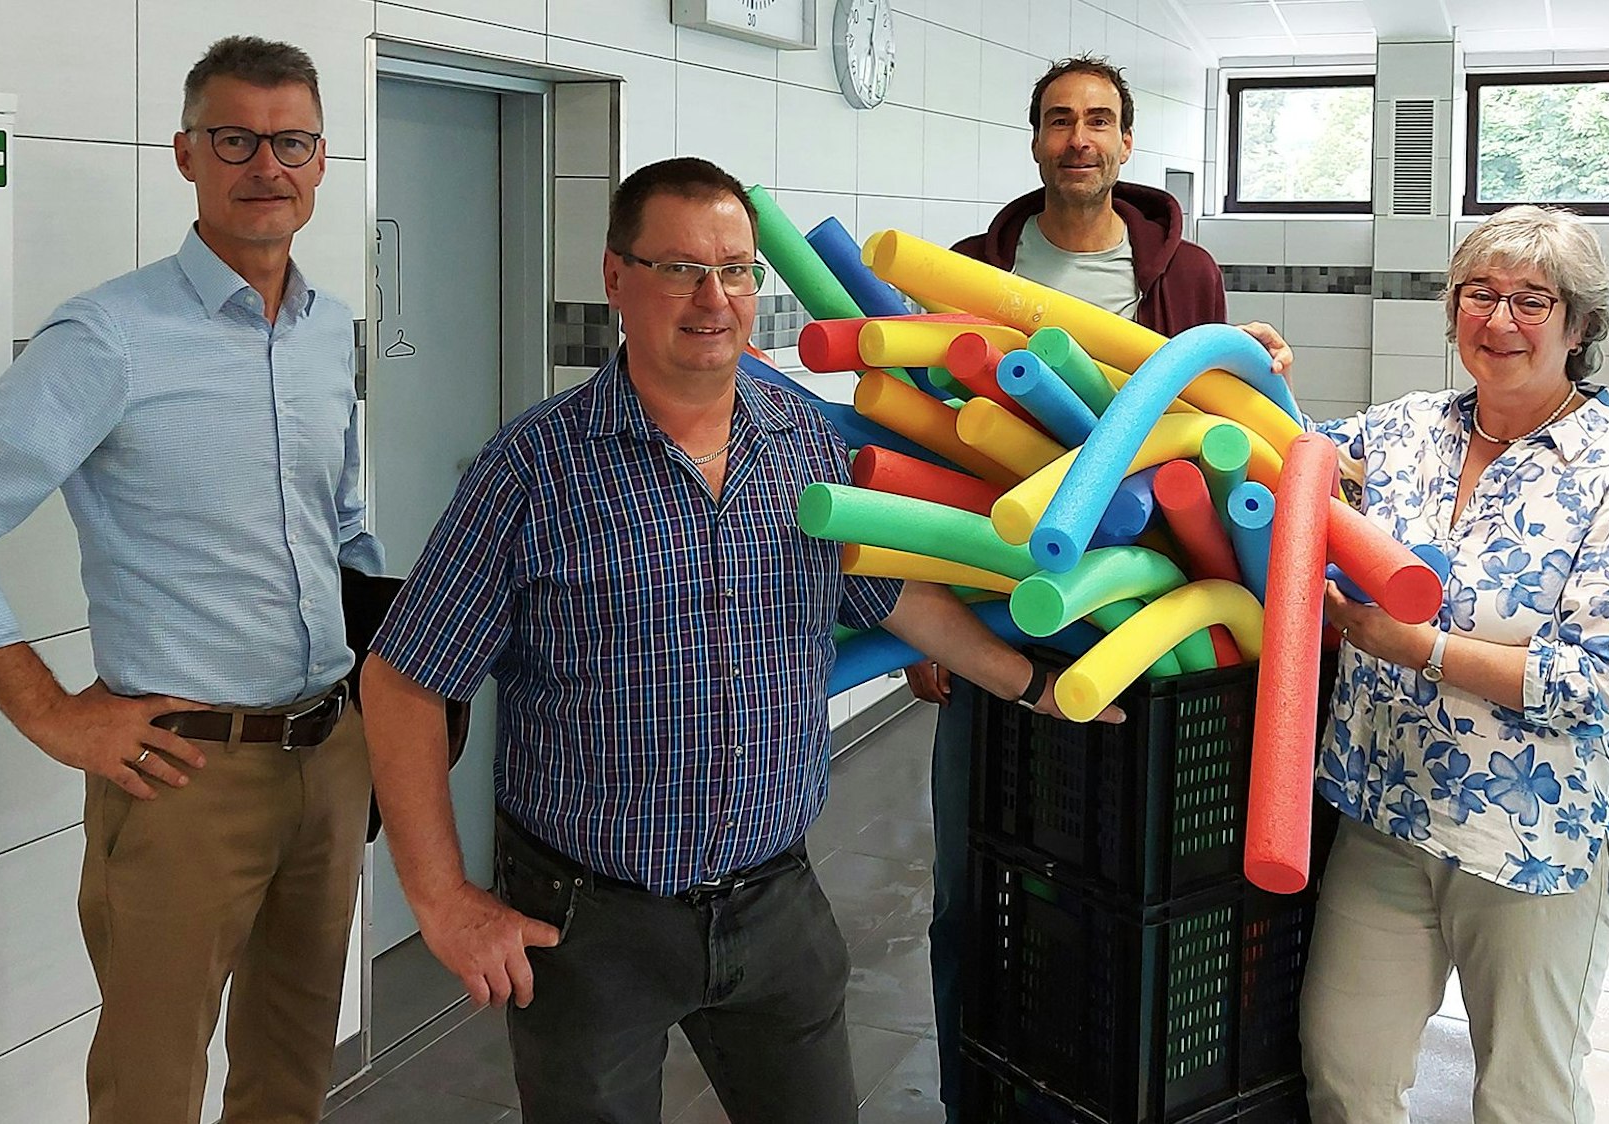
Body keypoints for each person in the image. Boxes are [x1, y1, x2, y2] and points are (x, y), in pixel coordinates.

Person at [359, 156, 1114, 1124]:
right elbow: (403, 680)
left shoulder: (804, 442)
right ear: (614, 277)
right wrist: (441, 898)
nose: (712, 297)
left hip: (775, 905)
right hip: (590, 925)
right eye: (677, 268)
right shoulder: (533, 469)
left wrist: (1025, 682)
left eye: (735, 269)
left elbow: (888, 592)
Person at [0, 37, 378, 1124]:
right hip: (184, 773)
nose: (265, 165)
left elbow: (341, 520)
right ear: (186, 154)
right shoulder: (108, 336)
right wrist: (55, 713)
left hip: (331, 753)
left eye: (289, 140)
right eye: (234, 138)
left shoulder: (327, 327)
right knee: (151, 1087)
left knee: (293, 1068)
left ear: (321, 161)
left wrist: (382, 700)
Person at [910, 55, 1251, 1121]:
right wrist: (928, 623)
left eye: (1097, 121)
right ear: (1033, 140)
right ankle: (981, 1088)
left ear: (1124, 143)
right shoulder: (974, 268)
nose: (1077, 139)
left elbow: (1218, 427)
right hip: (987, 603)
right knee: (976, 878)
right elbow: (919, 444)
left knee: (1121, 869)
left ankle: (1111, 1081)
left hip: (1141, 611)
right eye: (1058, 121)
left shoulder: (1183, 274)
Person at [1294, 205, 1609, 1123]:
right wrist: (1262, 383)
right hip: (1386, 814)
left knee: (1524, 1099)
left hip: (1534, 846)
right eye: (1479, 295)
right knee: (1344, 1075)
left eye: (1531, 301)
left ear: (1579, 326)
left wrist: (1422, 651)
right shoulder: (1403, 433)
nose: (1499, 320)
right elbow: (1292, 462)